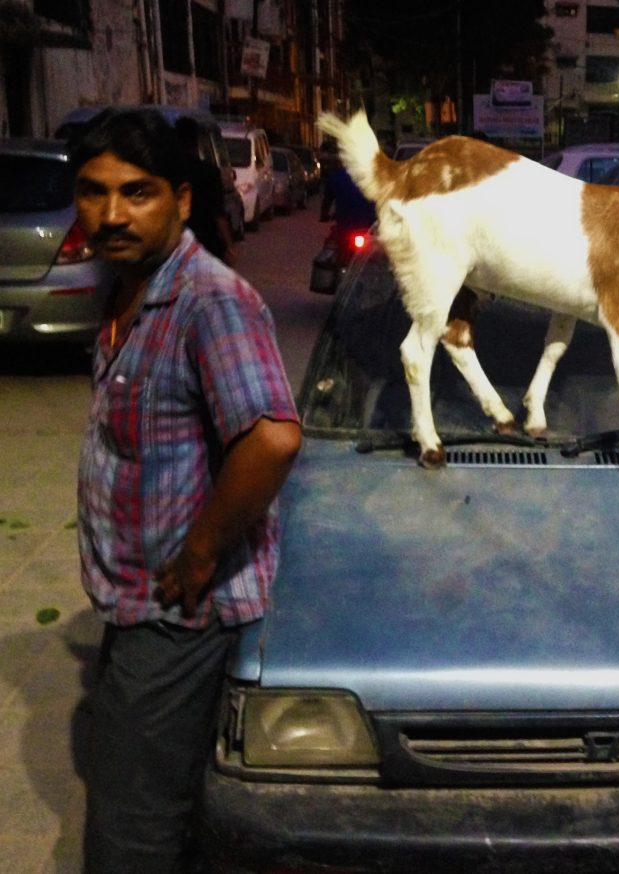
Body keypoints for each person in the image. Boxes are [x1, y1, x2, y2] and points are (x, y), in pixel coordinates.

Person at [70, 108, 301, 873]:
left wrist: (199, 554)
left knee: (129, 831)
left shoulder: (211, 300)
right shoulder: (133, 292)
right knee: (168, 806)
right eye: (92, 193)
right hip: (141, 602)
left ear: (180, 199)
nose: (110, 215)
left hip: (178, 616)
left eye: (135, 193)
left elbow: (271, 438)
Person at [174, 115, 236, 266]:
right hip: (206, 242)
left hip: (176, 242)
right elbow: (218, 213)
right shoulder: (208, 171)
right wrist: (229, 246)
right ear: (196, 141)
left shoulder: (169, 171)